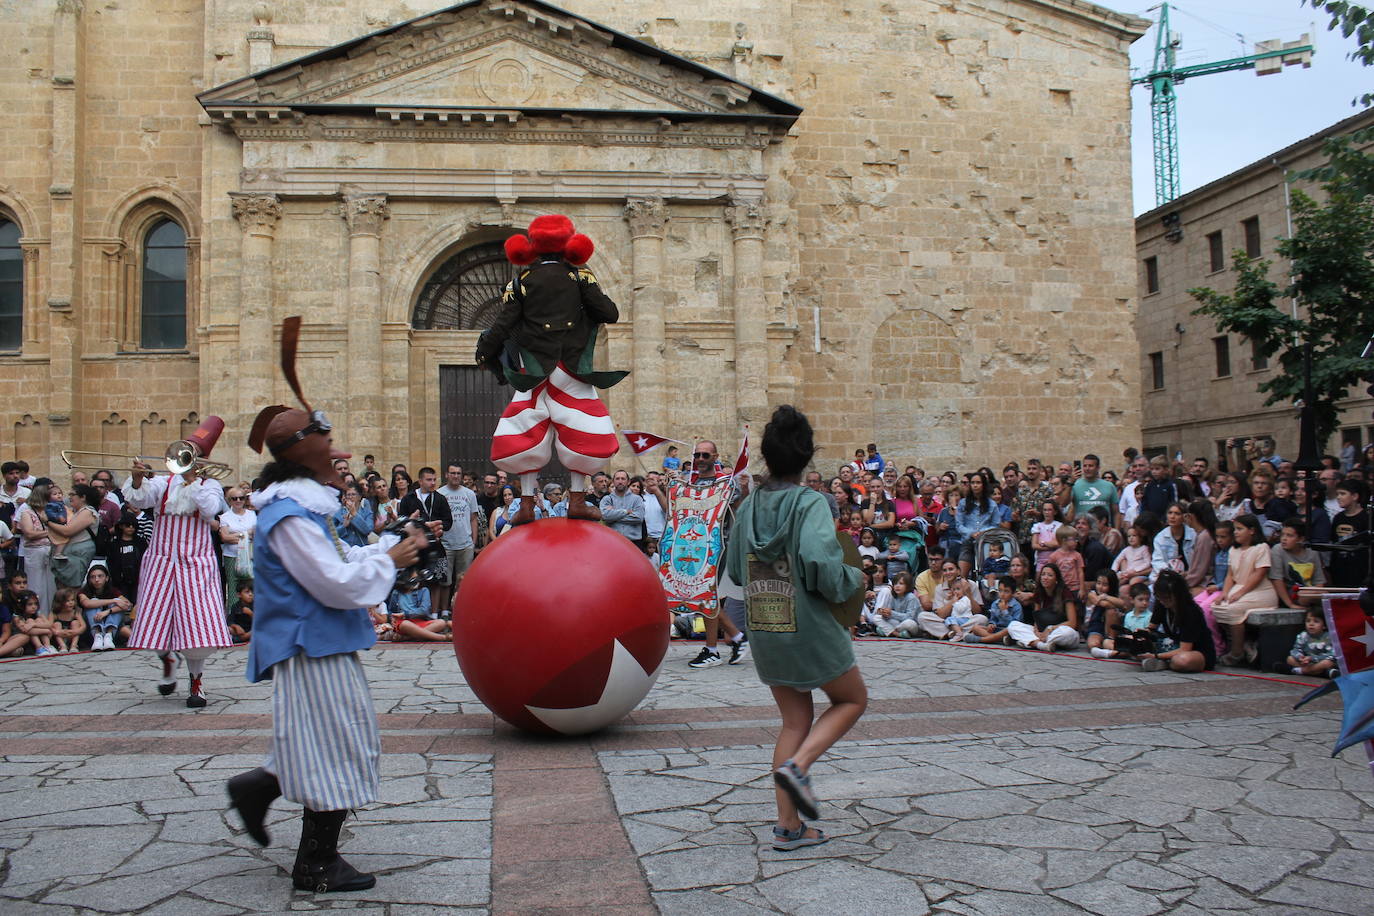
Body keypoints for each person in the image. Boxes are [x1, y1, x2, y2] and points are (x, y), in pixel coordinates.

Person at [227, 406, 427, 894]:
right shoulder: (290, 517)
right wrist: (392, 562)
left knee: (317, 738)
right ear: (305, 454)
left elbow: (340, 556)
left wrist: (390, 547)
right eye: (329, 447)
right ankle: (316, 862)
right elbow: (333, 583)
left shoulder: (303, 510)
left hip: (320, 642)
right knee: (337, 743)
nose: (339, 457)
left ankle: (258, 787)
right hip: (309, 644)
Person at [723, 405, 866, 852]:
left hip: (766, 624)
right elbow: (823, 566)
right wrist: (854, 579)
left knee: (793, 720)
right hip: (809, 626)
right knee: (851, 699)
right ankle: (800, 766)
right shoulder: (811, 503)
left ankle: (788, 826)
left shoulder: (747, 507)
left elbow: (735, 570)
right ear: (807, 456)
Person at [476, 214, 625, 524]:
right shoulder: (580, 278)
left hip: (534, 369)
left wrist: (485, 353)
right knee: (580, 428)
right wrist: (587, 287)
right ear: (569, 245)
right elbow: (609, 313)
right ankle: (577, 500)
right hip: (571, 367)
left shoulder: (521, 282)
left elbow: (503, 325)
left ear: (533, 247)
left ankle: (527, 505)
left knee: (527, 429)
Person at [123, 417, 233, 708]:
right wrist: (137, 478)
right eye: (187, 453)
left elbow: (210, 510)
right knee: (153, 623)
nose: (188, 460)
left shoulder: (211, 486)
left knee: (197, 627)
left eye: (194, 455)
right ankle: (168, 661)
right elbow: (141, 499)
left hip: (195, 564)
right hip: (160, 562)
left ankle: (196, 682)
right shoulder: (162, 482)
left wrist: (191, 480)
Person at [1210, 514, 1273, 667]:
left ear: (1251, 530)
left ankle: (1236, 652)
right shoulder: (1233, 550)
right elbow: (1230, 575)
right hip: (1238, 589)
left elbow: (1259, 574)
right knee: (1217, 607)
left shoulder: (1261, 548)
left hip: (1260, 591)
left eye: (1240, 529)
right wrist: (1225, 593)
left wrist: (1240, 592)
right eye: (1235, 529)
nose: (1236, 532)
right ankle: (1244, 643)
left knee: (1232, 610)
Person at [398, 467, 453, 618]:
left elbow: (449, 521)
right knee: (418, 580)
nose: (433, 483)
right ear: (420, 481)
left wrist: (439, 527)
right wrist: (413, 523)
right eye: (429, 480)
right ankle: (419, 612)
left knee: (437, 579)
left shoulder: (440, 498)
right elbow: (401, 521)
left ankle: (435, 614)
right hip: (416, 548)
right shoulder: (408, 499)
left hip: (436, 546)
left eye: (434, 479)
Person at [1139, 570, 1217, 672]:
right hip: (1172, 646)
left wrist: (1155, 655)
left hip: (1196, 652)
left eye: (1167, 598)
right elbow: (1151, 629)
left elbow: (1185, 649)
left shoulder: (1191, 611)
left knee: (1182, 660)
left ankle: (1164, 662)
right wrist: (1139, 636)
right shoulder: (1161, 604)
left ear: (1178, 595)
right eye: (1159, 597)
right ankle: (1163, 661)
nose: (1163, 601)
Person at [1007, 562, 1081, 653]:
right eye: (1043, 574)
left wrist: (1051, 629)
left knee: (1067, 632)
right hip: (1042, 633)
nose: (1045, 578)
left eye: (1050, 575)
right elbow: (1036, 619)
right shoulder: (1039, 593)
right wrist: (1037, 631)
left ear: (1056, 579)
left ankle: (1032, 642)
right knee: (1013, 625)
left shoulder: (1065, 593)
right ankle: (1040, 644)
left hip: (1059, 631)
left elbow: (1072, 623)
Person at [436, 463, 480, 617]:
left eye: (458, 473)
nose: (455, 476)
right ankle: (444, 611)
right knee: (444, 580)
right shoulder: (439, 493)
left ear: (462, 476)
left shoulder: (469, 494)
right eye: (452, 473)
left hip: (465, 544)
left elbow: (474, 518)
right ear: (447, 474)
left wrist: (473, 541)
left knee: (464, 581)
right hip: (444, 545)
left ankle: (462, 610)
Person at [916, 559, 986, 639]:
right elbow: (941, 615)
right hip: (947, 622)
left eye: (951, 569)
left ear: (958, 571)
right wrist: (952, 601)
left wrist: (968, 594)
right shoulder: (940, 588)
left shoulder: (971, 585)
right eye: (945, 570)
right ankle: (961, 633)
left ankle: (952, 634)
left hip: (966, 620)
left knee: (982, 619)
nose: (948, 573)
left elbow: (977, 611)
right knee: (922, 617)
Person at [1269, 519, 1325, 609]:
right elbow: (1276, 579)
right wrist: (1290, 604)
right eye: (1282, 534)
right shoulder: (1278, 549)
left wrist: (1317, 592)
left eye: (1289, 535)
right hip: (1291, 593)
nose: (1284, 539)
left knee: (1325, 594)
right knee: (1306, 595)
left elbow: (1319, 582)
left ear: (1301, 539)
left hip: (1310, 591)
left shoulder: (1313, 553)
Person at [1327, 479, 1370, 589]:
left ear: (1355, 496)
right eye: (1337, 494)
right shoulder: (1338, 517)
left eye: (1343, 494)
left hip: (1361, 568)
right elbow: (1333, 540)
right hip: (1339, 567)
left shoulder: (1367, 517)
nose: (1338, 497)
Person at [219, 487, 258, 609]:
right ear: (229, 500)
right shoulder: (225, 517)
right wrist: (246, 535)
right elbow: (225, 538)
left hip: (250, 555)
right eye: (234, 498)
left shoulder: (252, 515)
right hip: (231, 556)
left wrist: (235, 536)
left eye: (241, 498)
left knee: (251, 586)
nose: (238, 501)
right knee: (233, 587)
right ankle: (232, 616)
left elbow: (256, 534)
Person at [79, 562, 131, 651]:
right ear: (89, 579)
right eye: (93, 577)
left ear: (106, 578)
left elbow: (127, 605)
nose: (96, 579)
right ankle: (98, 636)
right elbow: (86, 603)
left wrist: (108, 611)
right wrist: (113, 600)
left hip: (111, 629)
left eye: (100, 576)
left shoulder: (113, 590)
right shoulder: (84, 592)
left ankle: (108, 635)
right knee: (94, 601)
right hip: (91, 630)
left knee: (119, 603)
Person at [1273, 609, 1338, 678]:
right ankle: (1319, 673)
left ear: (1324, 625)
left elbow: (1332, 654)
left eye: (1316, 621)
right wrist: (1300, 657)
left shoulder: (1329, 637)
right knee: (1290, 659)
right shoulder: (1303, 635)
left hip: (1319, 661)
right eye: (1308, 621)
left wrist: (1312, 658)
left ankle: (1298, 671)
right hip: (1307, 663)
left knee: (1328, 663)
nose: (1311, 624)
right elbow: (1296, 649)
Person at [966, 576, 1022, 644]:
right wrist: (991, 624)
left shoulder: (1016, 606)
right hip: (997, 630)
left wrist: (1004, 611)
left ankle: (984, 639)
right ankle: (997, 639)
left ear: (1013, 593)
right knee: (976, 628)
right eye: (1000, 590)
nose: (1002, 594)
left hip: (1008, 631)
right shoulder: (995, 604)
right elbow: (993, 619)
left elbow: (1015, 625)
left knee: (1011, 632)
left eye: (1006, 591)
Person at [600, 469, 646, 542]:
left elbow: (639, 518)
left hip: (633, 542)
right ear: (613, 481)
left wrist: (613, 515)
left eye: (623, 479)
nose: (620, 481)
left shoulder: (637, 499)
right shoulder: (607, 499)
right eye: (617, 479)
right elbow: (605, 516)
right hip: (613, 541)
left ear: (628, 482)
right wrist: (625, 512)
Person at [873, 572, 921, 637]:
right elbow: (890, 614)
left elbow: (910, 617)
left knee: (909, 623)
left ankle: (888, 631)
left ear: (908, 586)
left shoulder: (911, 597)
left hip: (911, 624)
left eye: (901, 584)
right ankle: (897, 634)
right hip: (898, 623)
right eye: (895, 584)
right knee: (876, 617)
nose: (897, 586)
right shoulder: (894, 596)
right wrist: (885, 614)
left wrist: (891, 613)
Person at [1047, 525, 1086, 599]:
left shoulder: (1077, 555)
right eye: (1074, 539)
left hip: (1075, 588)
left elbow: (1081, 572)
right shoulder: (1054, 556)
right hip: (1061, 588)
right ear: (1064, 540)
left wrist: (1082, 588)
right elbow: (1051, 572)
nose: (1076, 541)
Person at [49, 586, 85, 653]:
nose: (71, 603)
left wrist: (75, 631)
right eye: (67, 601)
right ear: (59, 602)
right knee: (57, 624)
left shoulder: (75, 612)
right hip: (59, 636)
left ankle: (74, 645)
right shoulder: (54, 613)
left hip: (72, 635)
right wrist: (57, 632)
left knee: (75, 623)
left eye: (72, 600)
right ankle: (62, 646)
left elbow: (83, 626)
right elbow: (49, 626)